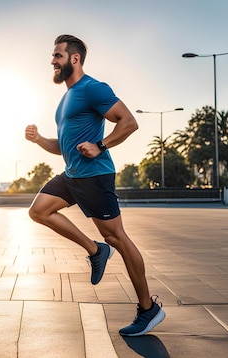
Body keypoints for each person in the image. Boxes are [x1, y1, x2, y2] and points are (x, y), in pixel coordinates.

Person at [24, 34, 165, 336]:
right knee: (39, 211)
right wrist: (38, 141)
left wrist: (101, 144)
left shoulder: (92, 88)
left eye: (58, 55)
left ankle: (148, 308)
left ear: (74, 58)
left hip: (95, 176)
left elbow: (128, 122)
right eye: (53, 55)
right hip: (72, 174)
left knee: (118, 238)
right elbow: (62, 147)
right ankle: (94, 250)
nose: (52, 60)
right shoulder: (65, 100)